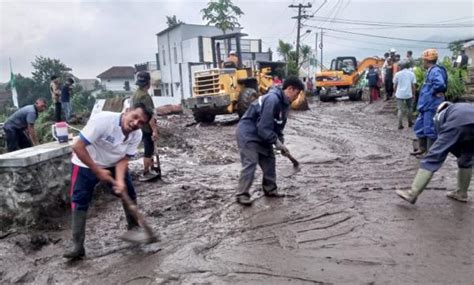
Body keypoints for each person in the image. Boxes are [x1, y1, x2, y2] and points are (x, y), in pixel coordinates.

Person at [63, 103, 153, 259]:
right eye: (135, 117)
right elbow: (77, 146)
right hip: (85, 162)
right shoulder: (103, 121)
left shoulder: (136, 134)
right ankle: (77, 246)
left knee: (129, 193)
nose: (136, 123)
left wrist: (119, 180)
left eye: (141, 122)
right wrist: (97, 171)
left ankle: (134, 228)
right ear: (127, 111)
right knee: (79, 200)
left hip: (113, 163)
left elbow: (124, 159)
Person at [234, 76, 304, 206]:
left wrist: (280, 143)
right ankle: (242, 194)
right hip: (248, 133)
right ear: (290, 89)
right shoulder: (273, 99)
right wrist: (276, 143)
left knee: (269, 160)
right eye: (297, 92)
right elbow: (263, 128)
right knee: (251, 161)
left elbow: (278, 128)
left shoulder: (284, 106)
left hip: (262, 134)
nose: (297, 96)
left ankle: (270, 189)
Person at [396, 102, 474, 204]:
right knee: (466, 158)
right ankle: (462, 193)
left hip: (458, 123)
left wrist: (440, 151)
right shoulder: (462, 106)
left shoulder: (440, 114)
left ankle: (412, 194)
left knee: (432, 157)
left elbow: (441, 138)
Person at [411, 49, 447, 156]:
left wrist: (433, 92)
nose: (423, 62)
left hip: (431, 105)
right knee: (419, 126)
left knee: (430, 129)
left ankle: (431, 153)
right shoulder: (430, 70)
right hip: (425, 105)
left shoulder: (435, 71)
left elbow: (440, 85)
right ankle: (422, 149)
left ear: (427, 60)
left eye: (423, 60)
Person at [131, 71, 161, 181]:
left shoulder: (135, 94)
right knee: (148, 150)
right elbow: (149, 116)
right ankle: (146, 171)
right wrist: (154, 130)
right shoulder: (145, 97)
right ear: (148, 83)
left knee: (150, 148)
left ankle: (152, 167)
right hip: (146, 126)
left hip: (139, 126)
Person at [393, 60, 416, 129]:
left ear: (401, 67)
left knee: (400, 109)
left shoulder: (397, 74)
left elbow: (395, 85)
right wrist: (414, 94)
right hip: (409, 94)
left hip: (399, 94)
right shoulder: (411, 74)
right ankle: (410, 122)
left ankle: (400, 124)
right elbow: (413, 85)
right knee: (410, 108)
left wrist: (395, 92)